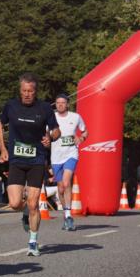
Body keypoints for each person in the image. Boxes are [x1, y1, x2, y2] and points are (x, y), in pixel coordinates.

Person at [0, 73, 60, 256]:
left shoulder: (45, 108)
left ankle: (33, 241)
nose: (27, 94)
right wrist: (2, 149)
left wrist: (50, 137)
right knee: (15, 203)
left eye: (30, 91)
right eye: (24, 91)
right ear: (20, 90)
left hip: (37, 160)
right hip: (16, 159)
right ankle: (23, 212)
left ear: (35, 91)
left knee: (33, 204)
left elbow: (56, 130)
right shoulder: (11, 106)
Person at [50, 94, 87, 230]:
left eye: (63, 102)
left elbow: (85, 132)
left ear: (67, 104)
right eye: (58, 103)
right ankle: (65, 215)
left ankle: (69, 215)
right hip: (56, 157)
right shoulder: (51, 117)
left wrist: (81, 139)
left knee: (66, 183)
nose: (60, 105)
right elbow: (45, 135)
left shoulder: (75, 117)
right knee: (60, 188)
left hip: (71, 154)